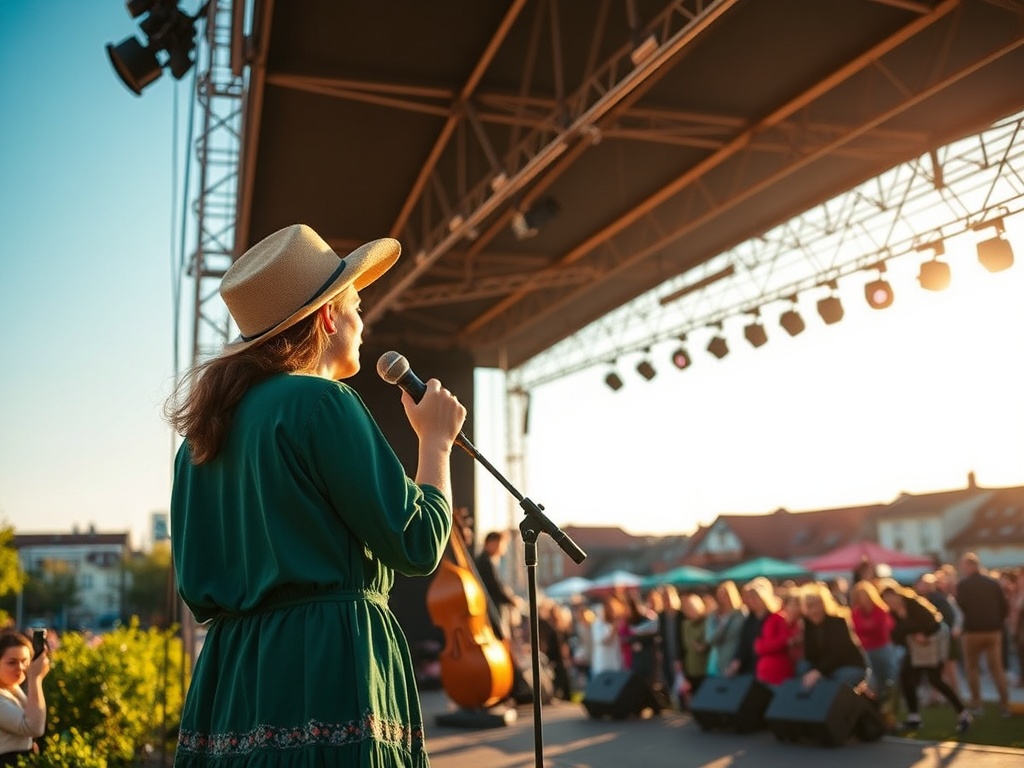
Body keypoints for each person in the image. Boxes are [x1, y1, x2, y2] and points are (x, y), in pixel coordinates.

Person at [165, 224, 467, 767]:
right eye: (356, 303)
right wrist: (436, 444)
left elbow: (196, 588)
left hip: (234, 675)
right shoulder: (323, 403)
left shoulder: (198, 444)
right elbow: (417, 543)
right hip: (328, 660)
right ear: (328, 316)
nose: (362, 318)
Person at [879, 580, 972, 734]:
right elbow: (897, 635)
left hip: (933, 641)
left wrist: (922, 634)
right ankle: (914, 717)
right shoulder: (893, 613)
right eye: (886, 601)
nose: (890, 602)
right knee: (905, 675)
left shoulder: (913, 604)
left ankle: (963, 713)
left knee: (935, 679)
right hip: (915, 646)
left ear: (898, 594)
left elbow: (930, 621)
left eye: (891, 598)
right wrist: (912, 635)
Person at [956, 552, 1011, 717]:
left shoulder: (963, 585)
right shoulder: (993, 584)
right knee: (997, 669)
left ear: (968, 566)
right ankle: (1004, 705)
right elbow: (1005, 607)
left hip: (973, 631)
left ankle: (977, 703)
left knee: (972, 668)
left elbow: (962, 607)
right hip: (993, 631)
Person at [798, 582, 868, 691]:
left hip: (847, 665)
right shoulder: (808, 626)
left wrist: (818, 671)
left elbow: (839, 653)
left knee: (835, 684)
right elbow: (810, 655)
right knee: (802, 667)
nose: (815, 609)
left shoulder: (838, 623)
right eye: (810, 605)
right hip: (826, 668)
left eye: (818, 604)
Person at [0, 631, 49, 765]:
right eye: (12, 662)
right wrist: (35, 679)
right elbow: (34, 728)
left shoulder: (13, 689)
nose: (20, 668)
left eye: (25, 661)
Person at [849, 579, 896, 702]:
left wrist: (866, 631)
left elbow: (882, 630)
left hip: (882, 647)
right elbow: (855, 632)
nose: (862, 599)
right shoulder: (855, 613)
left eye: (864, 596)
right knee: (872, 679)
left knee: (889, 675)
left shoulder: (880, 610)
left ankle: (892, 701)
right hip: (865, 651)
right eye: (859, 596)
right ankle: (877, 702)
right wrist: (869, 629)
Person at [724, 577, 778, 677]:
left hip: (770, 668)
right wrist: (735, 662)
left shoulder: (774, 619)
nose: (751, 601)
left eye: (754, 597)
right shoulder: (749, 620)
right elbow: (743, 644)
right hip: (750, 668)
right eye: (749, 597)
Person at [474, 531, 521, 642]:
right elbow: (495, 588)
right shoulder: (485, 562)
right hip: (490, 612)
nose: (503, 550)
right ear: (492, 543)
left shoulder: (486, 561)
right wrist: (512, 600)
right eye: (501, 544)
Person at [753, 589, 803, 688]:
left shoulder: (801, 625)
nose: (796, 608)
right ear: (785, 606)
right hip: (770, 672)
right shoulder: (775, 620)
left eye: (799, 605)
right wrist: (787, 641)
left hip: (790, 673)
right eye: (793, 605)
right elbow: (762, 647)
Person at [705, 580, 746, 678]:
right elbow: (710, 639)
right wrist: (723, 625)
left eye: (726, 595)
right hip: (717, 660)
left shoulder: (741, 614)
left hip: (735, 658)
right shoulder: (713, 616)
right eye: (720, 595)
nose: (723, 599)